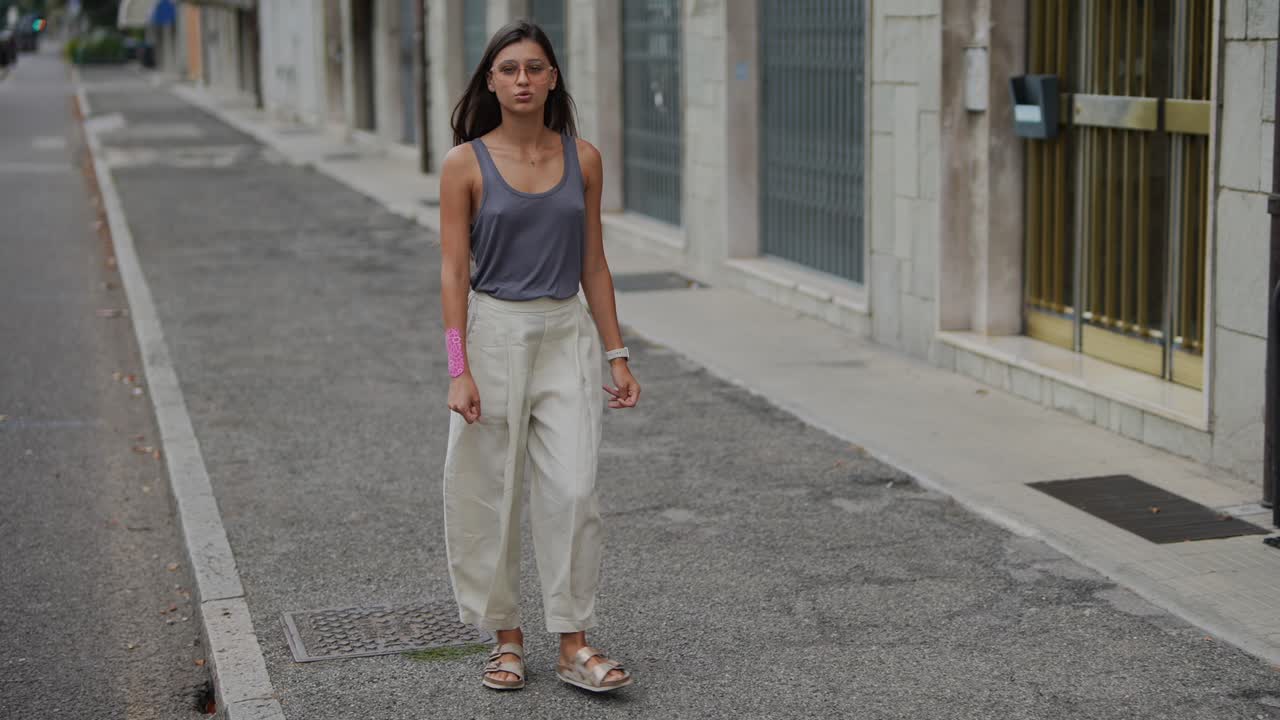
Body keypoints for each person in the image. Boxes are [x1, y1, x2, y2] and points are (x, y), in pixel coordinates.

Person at [438, 20, 640, 693]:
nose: (522, 79)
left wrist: (617, 353)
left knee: (575, 489)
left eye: (534, 67)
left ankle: (573, 642)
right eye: (508, 69)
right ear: (490, 81)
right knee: (489, 493)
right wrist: (457, 366)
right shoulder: (464, 163)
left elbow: (593, 262)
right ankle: (506, 638)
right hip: (493, 334)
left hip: (566, 335)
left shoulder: (583, 158)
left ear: (553, 77)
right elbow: (451, 272)